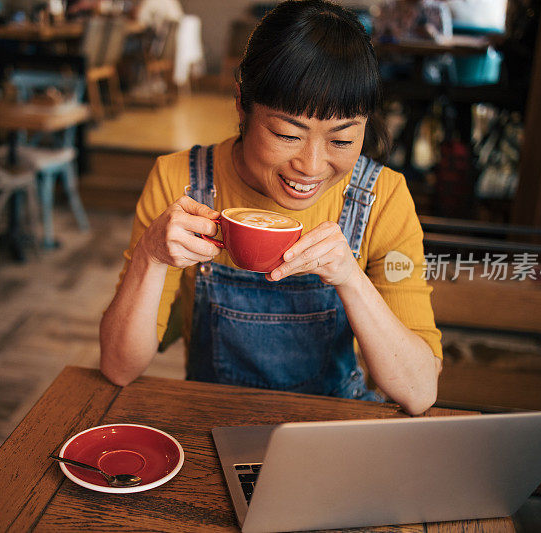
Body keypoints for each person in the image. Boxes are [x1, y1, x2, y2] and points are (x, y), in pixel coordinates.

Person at [99, 0, 442, 415]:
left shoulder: (381, 198)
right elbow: (118, 368)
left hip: (334, 429)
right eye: (286, 134)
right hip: (214, 424)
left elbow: (420, 392)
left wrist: (351, 278)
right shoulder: (182, 184)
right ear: (242, 103)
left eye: (341, 140)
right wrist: (151, 257)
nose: (311, 167)